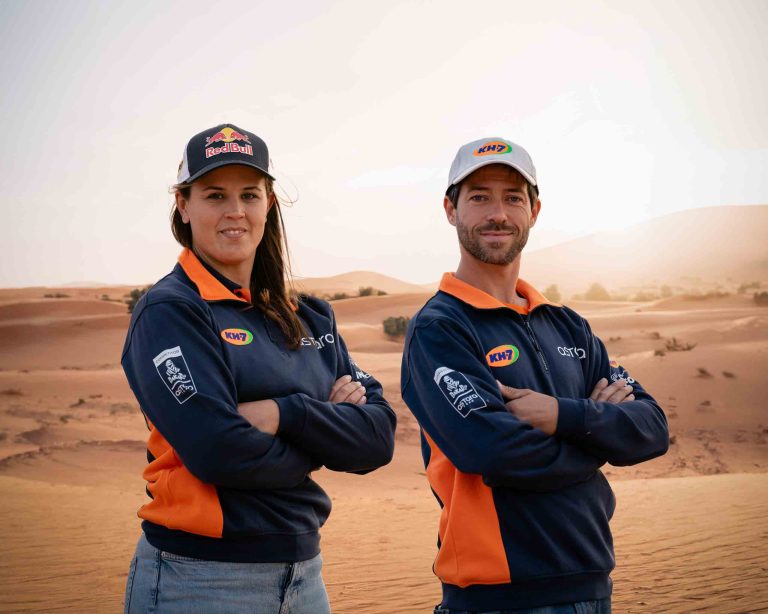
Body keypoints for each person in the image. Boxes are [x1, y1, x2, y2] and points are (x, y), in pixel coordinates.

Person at [121, 123, 396, 613]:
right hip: (199, 579)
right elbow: (218, 451)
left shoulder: (310, 315)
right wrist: (326, 434)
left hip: (305, 577)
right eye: (214, 195)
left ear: (268, 203)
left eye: (249, 194)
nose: (235, 211)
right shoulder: (170, 311)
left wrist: (285, 414)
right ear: (183, 205)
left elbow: (377, 439)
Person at [401, 137, 669, 613]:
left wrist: (562, 416)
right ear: (450, 209)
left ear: (534, 211)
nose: (497, 214)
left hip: (593, 589)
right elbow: (492, 450)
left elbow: (652, 429)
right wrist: (599, 438)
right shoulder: (440, 328)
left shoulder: (567, 324)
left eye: (513, 198)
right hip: (497, 599)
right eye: (479, 197)